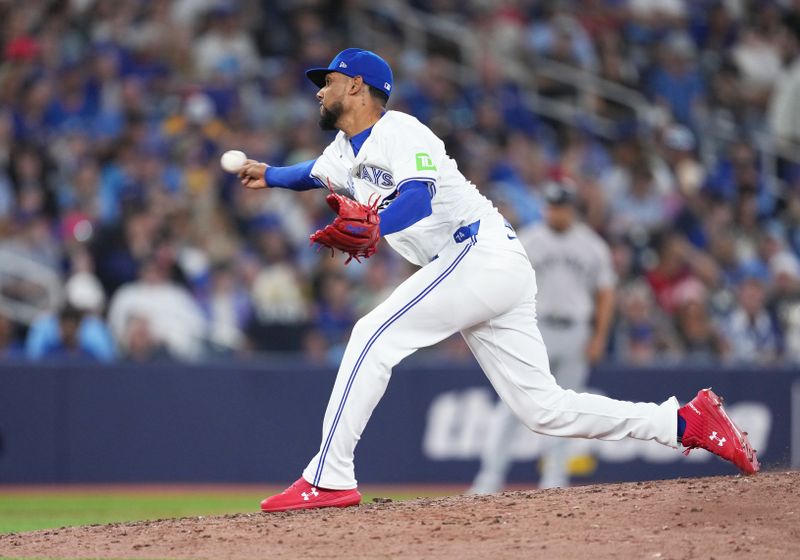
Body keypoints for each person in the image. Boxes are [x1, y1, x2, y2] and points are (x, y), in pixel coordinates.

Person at [238, 49, 759, 512]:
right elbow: (311, 172)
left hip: (477, 251)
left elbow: (417, 196)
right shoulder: (341, 151)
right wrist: (270, 174)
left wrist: (375, 223)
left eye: (326, 80)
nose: (319, 90)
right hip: (481, 268)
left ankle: (329, 477)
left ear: (357, 86)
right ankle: (685, 422)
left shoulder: (402, 131)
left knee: (371, 336)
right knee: (543, 409)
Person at [469, 181, 616, 493]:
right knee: (512, 401)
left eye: (560, 206)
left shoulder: (592, 245)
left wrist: (599, 336)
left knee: (566, 407)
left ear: (571, 209)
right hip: (534, 329)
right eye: (550, 206)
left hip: (576, 330)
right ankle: (490, 478)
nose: (554, 212)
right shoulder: (530, 241)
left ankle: (555, 478)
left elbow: (605, 294)